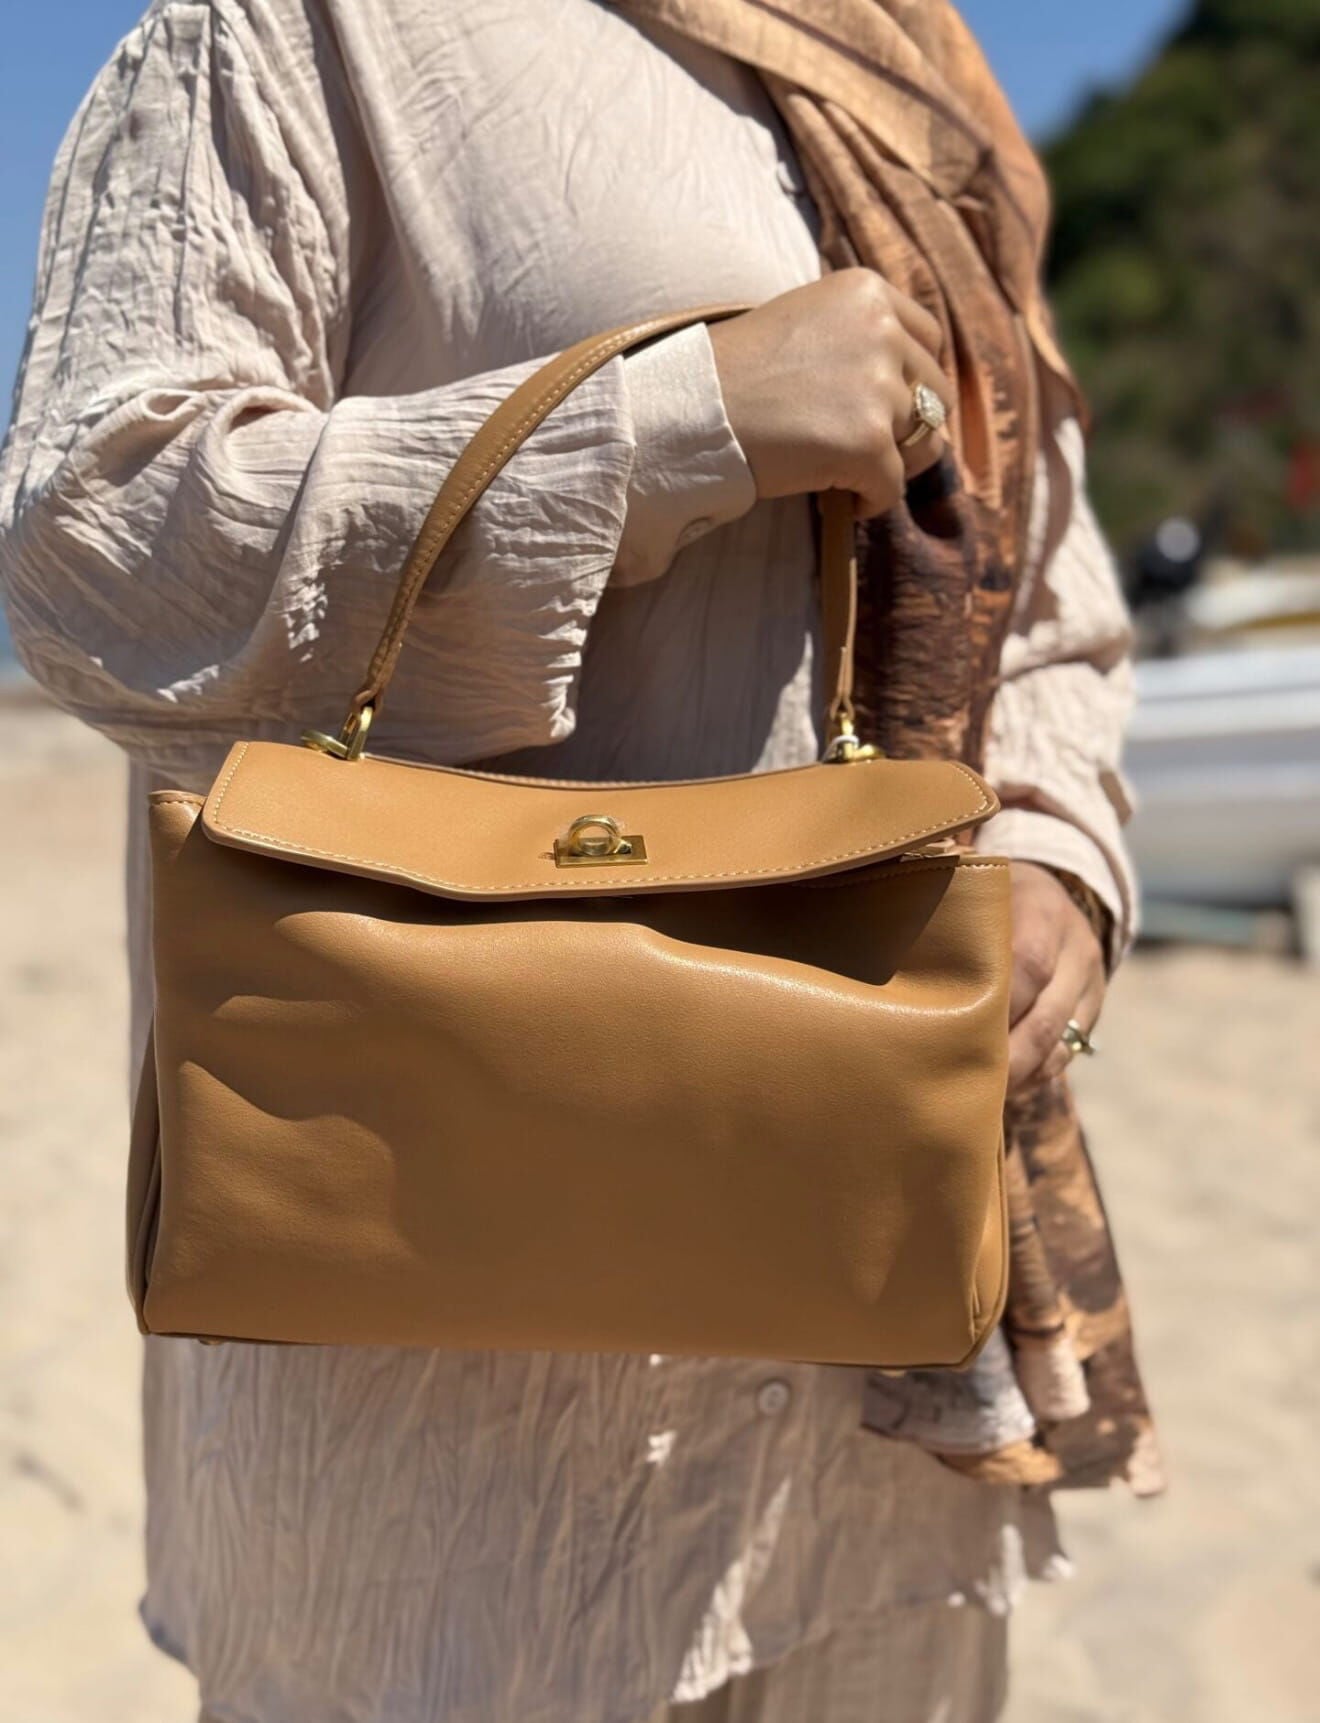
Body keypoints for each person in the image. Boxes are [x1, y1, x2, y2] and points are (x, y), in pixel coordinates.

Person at [0, 2, 1151, 1718]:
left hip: (867, 1441)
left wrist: (1058, 849)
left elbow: (1041, 561)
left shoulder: (909, 60)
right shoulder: (296, 29)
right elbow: (95, 553)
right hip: (447, 1481)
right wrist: (678, 423)